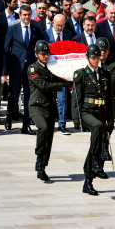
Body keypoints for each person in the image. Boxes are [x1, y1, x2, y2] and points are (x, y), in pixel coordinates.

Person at [72, 42, 114, 196]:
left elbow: (109, 98)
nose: (95, 60)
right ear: (87, 57)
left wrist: (111, 119)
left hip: (101, 112)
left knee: (94, 144)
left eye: (97, 57)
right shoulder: (81, 74)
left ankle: (88, 181)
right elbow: (76, 98)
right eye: (93, 58)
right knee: (96, 127)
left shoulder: (105, 74)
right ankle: (97, 158)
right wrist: (76, 118)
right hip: (87, 112)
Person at [29, 40, 72, 181]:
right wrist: (63, 85)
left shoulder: (54, 67)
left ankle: (42, 166)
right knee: (43, 128)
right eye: (42, 54)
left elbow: (63, 73)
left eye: (47, 54)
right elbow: (44, 85)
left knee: (49, 138)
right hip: (37, 106)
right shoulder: (33, 69)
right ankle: (39, 159)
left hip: (49, 107)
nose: (45, 56)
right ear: (36, 54)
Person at [4, 5, 42, 135]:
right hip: (16, 67)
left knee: (29, 98)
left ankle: (26, 125)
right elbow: (6, 50)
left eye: (29, 14)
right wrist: (6, 69)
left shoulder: (36, 28)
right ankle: (9, 115)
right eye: (24, 15)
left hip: (30, 69)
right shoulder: (13, 28)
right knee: (14, 95)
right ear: (19, 15)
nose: (26, 17)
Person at [41, 14, 72, 135]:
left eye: (62, 25)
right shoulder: (44, 34)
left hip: (62, 72)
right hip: (48, 72)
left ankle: (62, 125)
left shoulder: (68, 34)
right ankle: (45, 124)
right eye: (58, 25)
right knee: (47, 99)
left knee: (62, 99)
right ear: (52, 22)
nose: (60, 28)